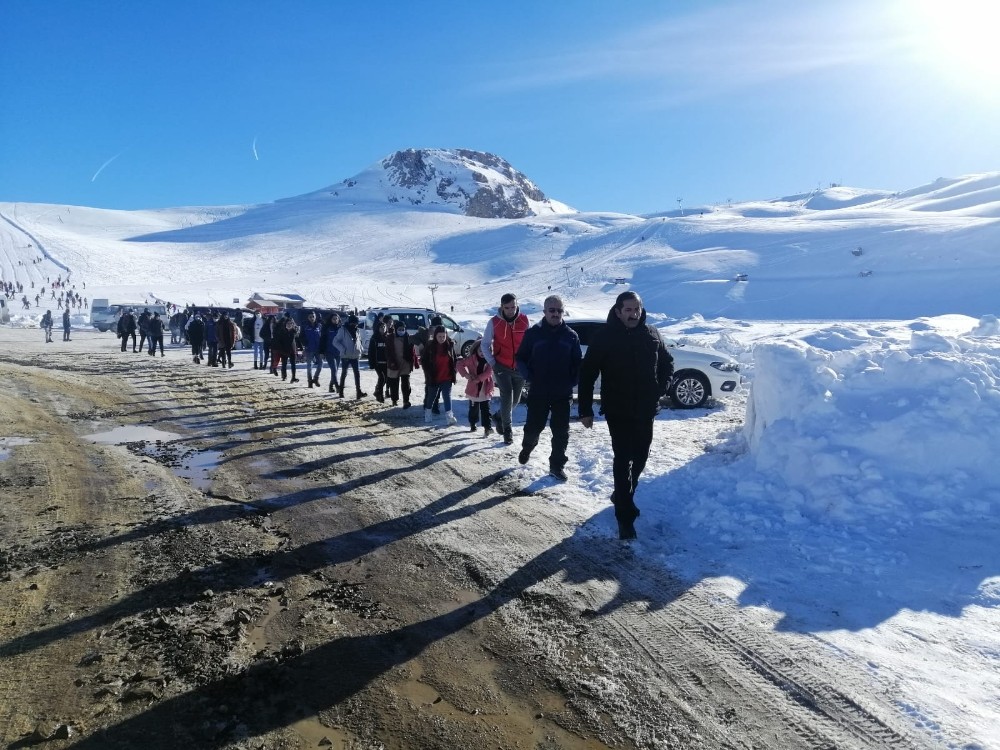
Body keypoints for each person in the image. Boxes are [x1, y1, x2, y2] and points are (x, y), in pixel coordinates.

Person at [578, 291, 674, 540]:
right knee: (623, 458)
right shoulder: (604, 337)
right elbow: (587, 374)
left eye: (637, 309)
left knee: (641, 456)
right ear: (618, 311)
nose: (634, 314)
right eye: (629, 310)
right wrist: (585, 409)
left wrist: (660, 389)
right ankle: (625, 516)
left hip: (645, 409)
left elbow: (667, 363)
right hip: (617, 409)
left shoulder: (652, 334)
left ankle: (622, 495)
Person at [514, 295, 582, 481]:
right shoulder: (533, 334)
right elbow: (520, 358)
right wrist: (528, 376)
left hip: (562, 392)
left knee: (561, 431)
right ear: (544, 312)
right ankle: (527, 447)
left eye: (559, 310)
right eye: (552, 310)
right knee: (534, 427)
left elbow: (578, 363)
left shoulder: (571, 336)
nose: (555, 314)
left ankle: (556, 466)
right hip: (539, 391)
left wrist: (572, 381)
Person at [482, 292, 530, 445]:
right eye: (507, 307)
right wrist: (492, 362)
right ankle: (507, 431)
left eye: (513, 307)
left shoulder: (524, 320)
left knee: (515, 400)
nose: (511, 310)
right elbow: (485, 344)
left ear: (517, 306)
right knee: (507, 396)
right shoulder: (494, 322)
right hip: (501, 365)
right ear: (501, 307)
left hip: (520, 367)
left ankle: (497, 416)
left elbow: (529, 343)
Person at [457, 340, 494, 436]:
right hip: (473, 388)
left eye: (485, 350)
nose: (482, 353)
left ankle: (487, 427)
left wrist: (479, 378)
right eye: (480, 351)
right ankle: (473, 423)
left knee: (486, 409)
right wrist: (466, 375)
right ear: (476, 350)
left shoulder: (490, 360)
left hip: (485, 389)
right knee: (473, 409)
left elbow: (489, 372)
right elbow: (459, 364)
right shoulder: (471, 359)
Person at [421, 325, 457, 424]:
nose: (441, 339)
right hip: (434, 376)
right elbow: (423, 360)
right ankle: (428, 412)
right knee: (432, 396)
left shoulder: (450, 345)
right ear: (435, 336)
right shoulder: (430, 346)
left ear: (446, 336)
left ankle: (449, 417)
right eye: (439, 336)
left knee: (447, 396)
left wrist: (454, 370)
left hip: (447, 376)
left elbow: (454, 359)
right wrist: (428, 372)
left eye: (443, 336)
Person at [385, 319, 416, 407]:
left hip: (405, 363)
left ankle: (406, 401)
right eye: (399, 329)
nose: (401, 331)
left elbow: (412, 351)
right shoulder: (390, 338)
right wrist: (390, 361)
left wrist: (413, 361)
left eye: (403, 329)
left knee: (406, 383)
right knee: (394, 383)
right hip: (394, 362)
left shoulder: (408, 337)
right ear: (395, 329)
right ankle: (394, 399)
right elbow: (387, 351)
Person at [334, 315, 367, 399]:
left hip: (355, 355)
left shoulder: (357, 330)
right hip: (346, 355)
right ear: (349, 322)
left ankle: (358, 392)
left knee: (357, 374)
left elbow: (359, 341)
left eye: (356, 323)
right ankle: (341, 391)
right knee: (344, 373)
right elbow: (335, 341)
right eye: (353, 323)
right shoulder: (343, 330)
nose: (354, 325)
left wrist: (361, 349)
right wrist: (342, 349)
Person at [367, 315, 390, 402]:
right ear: (378, 328)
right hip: (378, 363)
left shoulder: (388, 338)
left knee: (386, 379)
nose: (383, 328)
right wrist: (371, 363)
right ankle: (380, 395)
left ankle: (377, 391)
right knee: (382, 378)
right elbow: (370, 352)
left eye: (384, 327)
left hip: (386, 362)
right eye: (381, 327)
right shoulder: (374, 338)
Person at [272, 315, 300, 382]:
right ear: (285, 324)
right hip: (284, 350)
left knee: (293, 364)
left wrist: (299, 348)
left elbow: (297, 340)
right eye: (288, 323)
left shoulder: (294, 331)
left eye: (291, 323)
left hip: (292, 350)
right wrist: (280, 349)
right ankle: (284, 376)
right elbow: (279, 341)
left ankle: (293, 377)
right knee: (284, 364)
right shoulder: (282, 332)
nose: (289, 325)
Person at [301, 311, 324, 387]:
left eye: (313, 316)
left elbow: (322, 337)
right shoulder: (305, 326)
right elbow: (301, 337)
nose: (312, 318)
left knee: (321, 364)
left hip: (318, 348)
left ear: (315, 317)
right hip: (309, 349)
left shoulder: (319, 326)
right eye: (310, 317)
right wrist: (305, 344)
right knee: (309, 366)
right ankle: (310, 381)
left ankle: (316, 378)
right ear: (308, 318)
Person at [321, 312, 343, 393]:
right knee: (333, 369)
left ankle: (331, 386)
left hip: (338, 352)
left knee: (335, 370)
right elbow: (322, 340)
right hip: (329, 351)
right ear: (331, 319)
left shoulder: (341, 328)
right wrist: (321, 352)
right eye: (333, 319)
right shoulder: (327, 328)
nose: (335, 320)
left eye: (336, 319)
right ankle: (337, 386)